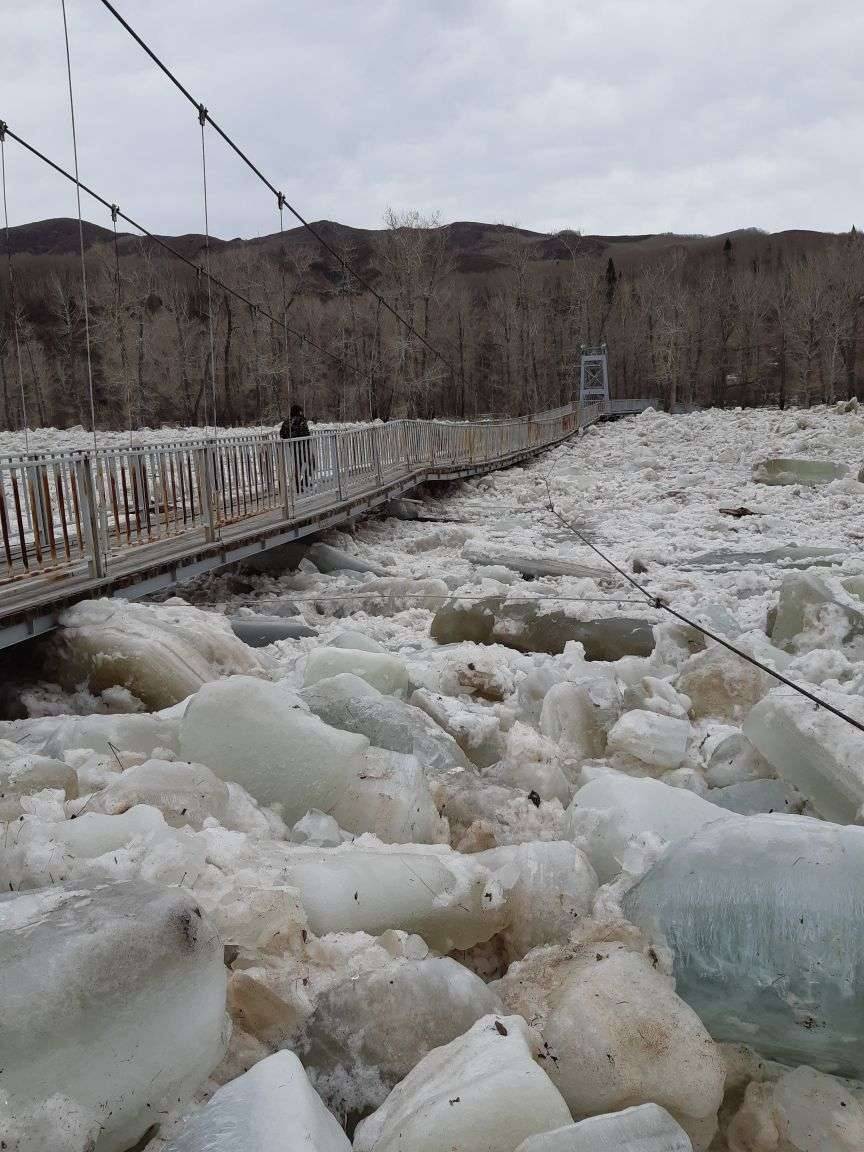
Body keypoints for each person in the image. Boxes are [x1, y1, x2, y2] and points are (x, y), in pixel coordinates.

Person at [280, 404, 314, 493]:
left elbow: (282, 434)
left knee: (297, 467)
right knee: (311, 463)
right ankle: (304, 481)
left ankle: (297, 484)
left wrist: (290, 438)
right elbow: (306, 433)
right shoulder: (301, 420)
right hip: (303, 446)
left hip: (293, 447)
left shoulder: (286, 422)